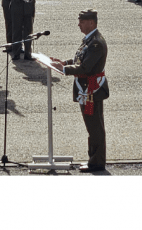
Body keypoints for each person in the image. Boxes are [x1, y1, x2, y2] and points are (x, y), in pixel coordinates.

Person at [50, 9, 109, 173]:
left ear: (91, 23)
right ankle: (93, 160)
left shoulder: (96, 43)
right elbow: (79, 59)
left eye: (82, 22)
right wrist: (64, 62)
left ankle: (97, 163)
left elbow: (85, 67)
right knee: (92, 126)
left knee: (95, 127)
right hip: (86, 89)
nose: (79, 25)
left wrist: (64, 69)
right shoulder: (90, 40)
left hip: (91, 90)